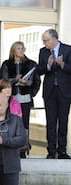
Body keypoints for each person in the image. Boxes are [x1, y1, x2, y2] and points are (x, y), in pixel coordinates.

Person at [0, 41, 41, 157]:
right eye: (18, 48)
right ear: (13, 50)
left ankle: (23, 149)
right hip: (11, 98)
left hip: (25, 98)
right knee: (11, 122)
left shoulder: (31, 64)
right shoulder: (7, 64)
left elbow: (36, 81)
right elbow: (2, 81)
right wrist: (14, 80)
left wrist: (27, 85)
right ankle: (11, 147)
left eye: (23, 48)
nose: (21, 51)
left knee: (24, 124)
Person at [36, 29, 71, 159]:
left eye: (46, 40)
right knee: (50, 122)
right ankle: (51, 150)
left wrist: (62, 64)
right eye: (43, 41)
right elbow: (39, 70)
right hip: (50, 91)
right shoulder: (43, 51)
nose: (44, 43)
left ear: (54, 39)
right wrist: (48, 66)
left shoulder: (68, 49)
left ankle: (62, 150)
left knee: (63, 121)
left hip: (64, 91)